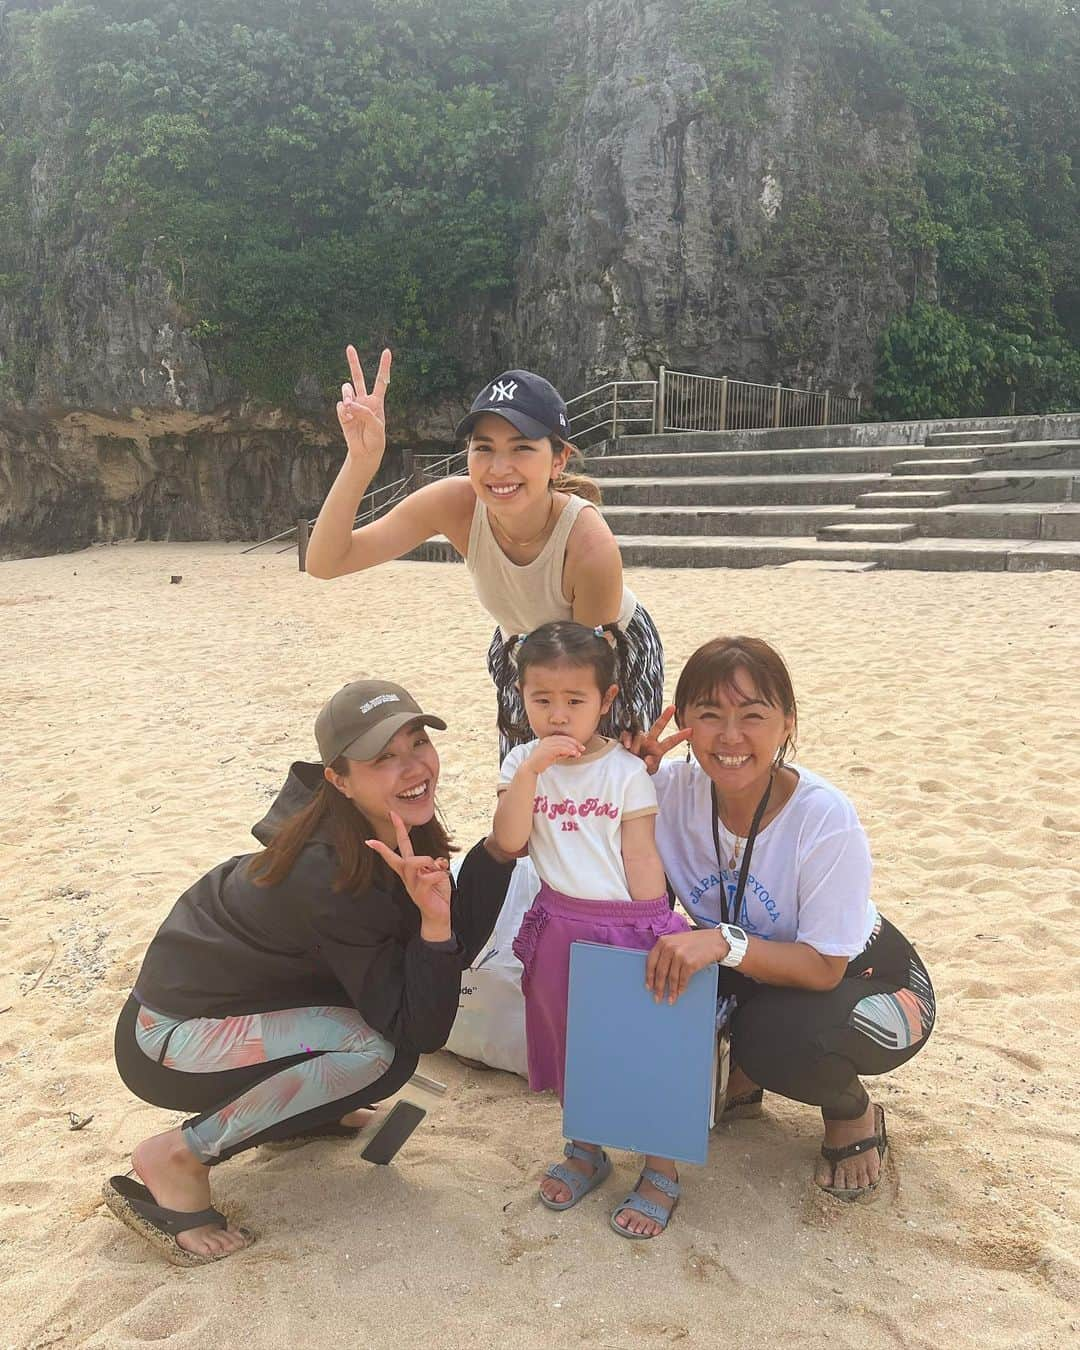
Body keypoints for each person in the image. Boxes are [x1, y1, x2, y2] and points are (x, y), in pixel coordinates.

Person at [104, 680, 516, 1266]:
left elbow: (444, 952)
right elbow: (417, 1025)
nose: (413, 766)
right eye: (383, 758)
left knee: (376, 1045)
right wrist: (436, 923)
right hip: (169, 1038)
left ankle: (306, 1109)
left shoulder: (378, 822)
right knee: (378, 1054)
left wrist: (498, 852)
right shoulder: (327, 870)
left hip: (244, 1009)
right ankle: (179, 1156)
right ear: (339, 779)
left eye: (417, 742)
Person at [628, 636, 936, 1201]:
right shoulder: (662, 790)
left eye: (753, 716)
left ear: (787, 723)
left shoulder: (823, 816)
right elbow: (574, 844)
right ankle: (742, 1073)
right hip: (749, 965)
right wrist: (618, 774)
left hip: (864, 977)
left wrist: (722, 943)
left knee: (778, 1040)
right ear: (683, 723)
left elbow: (822, 967)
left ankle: (852, 1112)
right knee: (645, 973)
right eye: (710, 715)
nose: (730, 737)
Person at [304, 349, 664, 757]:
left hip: (605, 652)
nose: (498, 468)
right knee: (521, 786)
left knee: (594, 780)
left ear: (558, 459)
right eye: (484, 448)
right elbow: (325, 562)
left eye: (522, 448)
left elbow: (582, 677)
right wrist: (360, 462)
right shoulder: (455, 504)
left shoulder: (588, 546)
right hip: (523, 648)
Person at [492, 621, 689, 1239]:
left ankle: (661, 1168)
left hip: (624, 926)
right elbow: (510, 841)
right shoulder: (523, 762)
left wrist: (653, 927)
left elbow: (640, 856)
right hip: (557, 924)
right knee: (568, 1043)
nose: (557, 715)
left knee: (640, 1049)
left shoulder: (626, 771)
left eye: (574, 701)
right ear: (520, 697)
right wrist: (529, 774)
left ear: (606, 700)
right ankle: (586, 1149)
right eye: (541, 700)